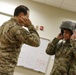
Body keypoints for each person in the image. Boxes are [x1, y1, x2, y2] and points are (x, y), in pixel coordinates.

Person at [0, 5, 40, 75]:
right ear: (22, 15)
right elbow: (36, 42)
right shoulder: (17, 29)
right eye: (27, 17)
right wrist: (30, 26)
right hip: (5, 69)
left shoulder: (5, 24)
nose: (28, 20)